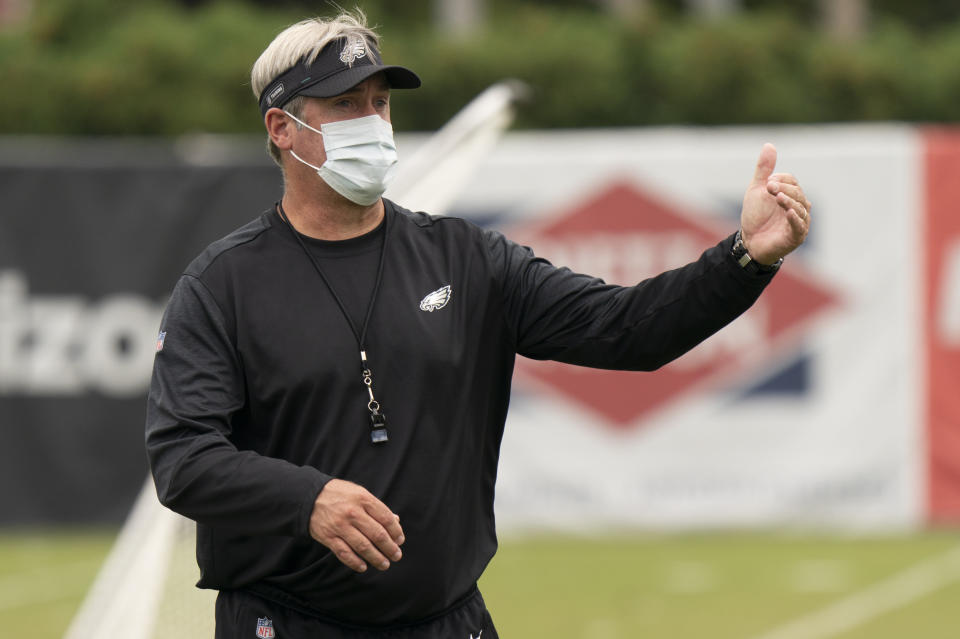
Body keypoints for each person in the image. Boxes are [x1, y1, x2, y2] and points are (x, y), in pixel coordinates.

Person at [145, 9, 811, 639]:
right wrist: (307, 498)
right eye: (345, 105)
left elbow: (630, 329)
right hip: (285, 621)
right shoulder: (222, 284)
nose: (372, 121)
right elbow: (184, 458)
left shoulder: (467, 258)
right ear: (281, 128)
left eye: (380, 102)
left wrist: (744, 258)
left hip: (447, 619)